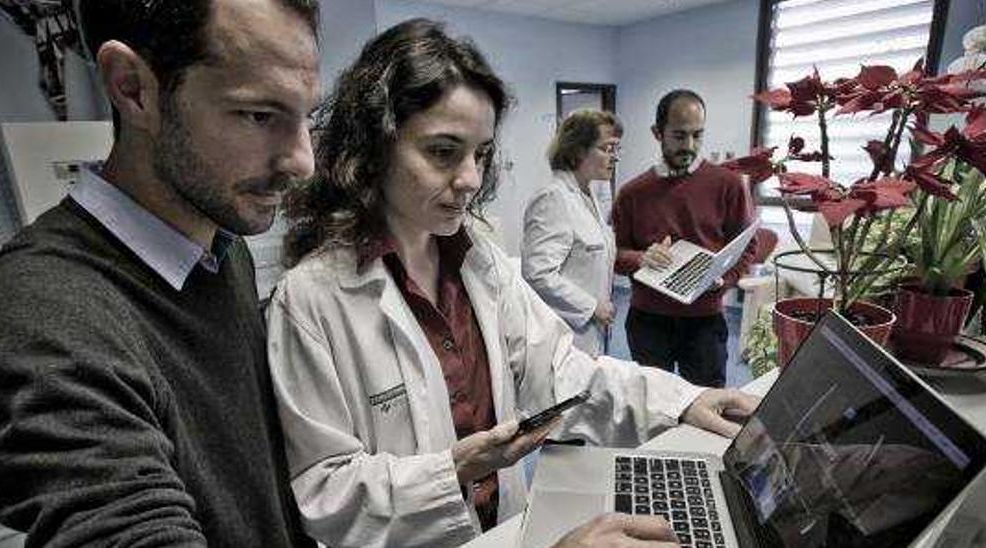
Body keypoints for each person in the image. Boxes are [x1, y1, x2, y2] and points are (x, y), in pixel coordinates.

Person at [269, 19, 759, 548]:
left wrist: (682, 401)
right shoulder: (311, 299)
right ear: (373, 146)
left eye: (479, 153)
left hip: (503, 529)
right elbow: (324, 493)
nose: (471, 179)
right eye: (442, 152)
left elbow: (564, 374)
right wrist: (452, 469)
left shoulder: (480, 262)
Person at [0, 0, 320, 545]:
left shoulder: (222, 249)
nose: (302, 161)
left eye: (306, 114)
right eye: (258, 115)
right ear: (133, 88)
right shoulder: (43, 309)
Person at [611, 89, 757, 388]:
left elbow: (748, 243)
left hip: (705, 321)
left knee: (709, 405)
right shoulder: (632, 193)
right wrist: (640, 258)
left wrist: (725, 279)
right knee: (653, 409)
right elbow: (612, 254)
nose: (689, 146)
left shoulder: (727, 185)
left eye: (697, 135)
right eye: (679, 136)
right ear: (657, 133)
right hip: (648, 320)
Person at [522, 109, 622, 357]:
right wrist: (592, 308)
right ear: (578, 150)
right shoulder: (553, 199)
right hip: (564, 336)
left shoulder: (588, 196)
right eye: (606, 149)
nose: (614, 157)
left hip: (589, 334)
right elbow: (537, 273)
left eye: (616, 150)